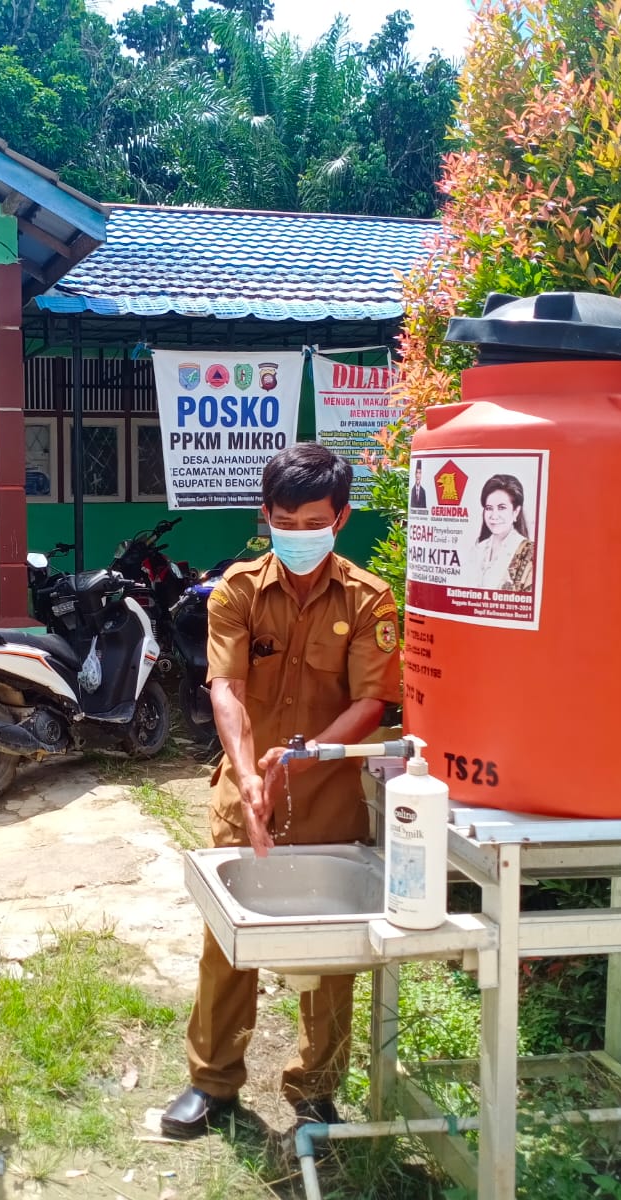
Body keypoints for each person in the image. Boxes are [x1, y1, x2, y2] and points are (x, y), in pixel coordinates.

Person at [161, 442, 402, 1141]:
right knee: (226, 940)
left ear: (341, 518)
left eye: (315, 523)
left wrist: (299, 759)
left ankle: (316, 1088)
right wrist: (247, 774)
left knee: (333, 950)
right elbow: (226, 688)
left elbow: (369, 702)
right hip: (246, 797)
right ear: (265, 515)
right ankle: (211, 1081)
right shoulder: (236, 590)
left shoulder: (369, 599)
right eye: (285, 522)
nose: (299, 535)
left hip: (327, 797)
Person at [470, 473, 535, 592]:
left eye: (501, 508)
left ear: (516, 511)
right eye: (489, 508)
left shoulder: (529, 553)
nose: (494, 515)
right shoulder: (478, 549)